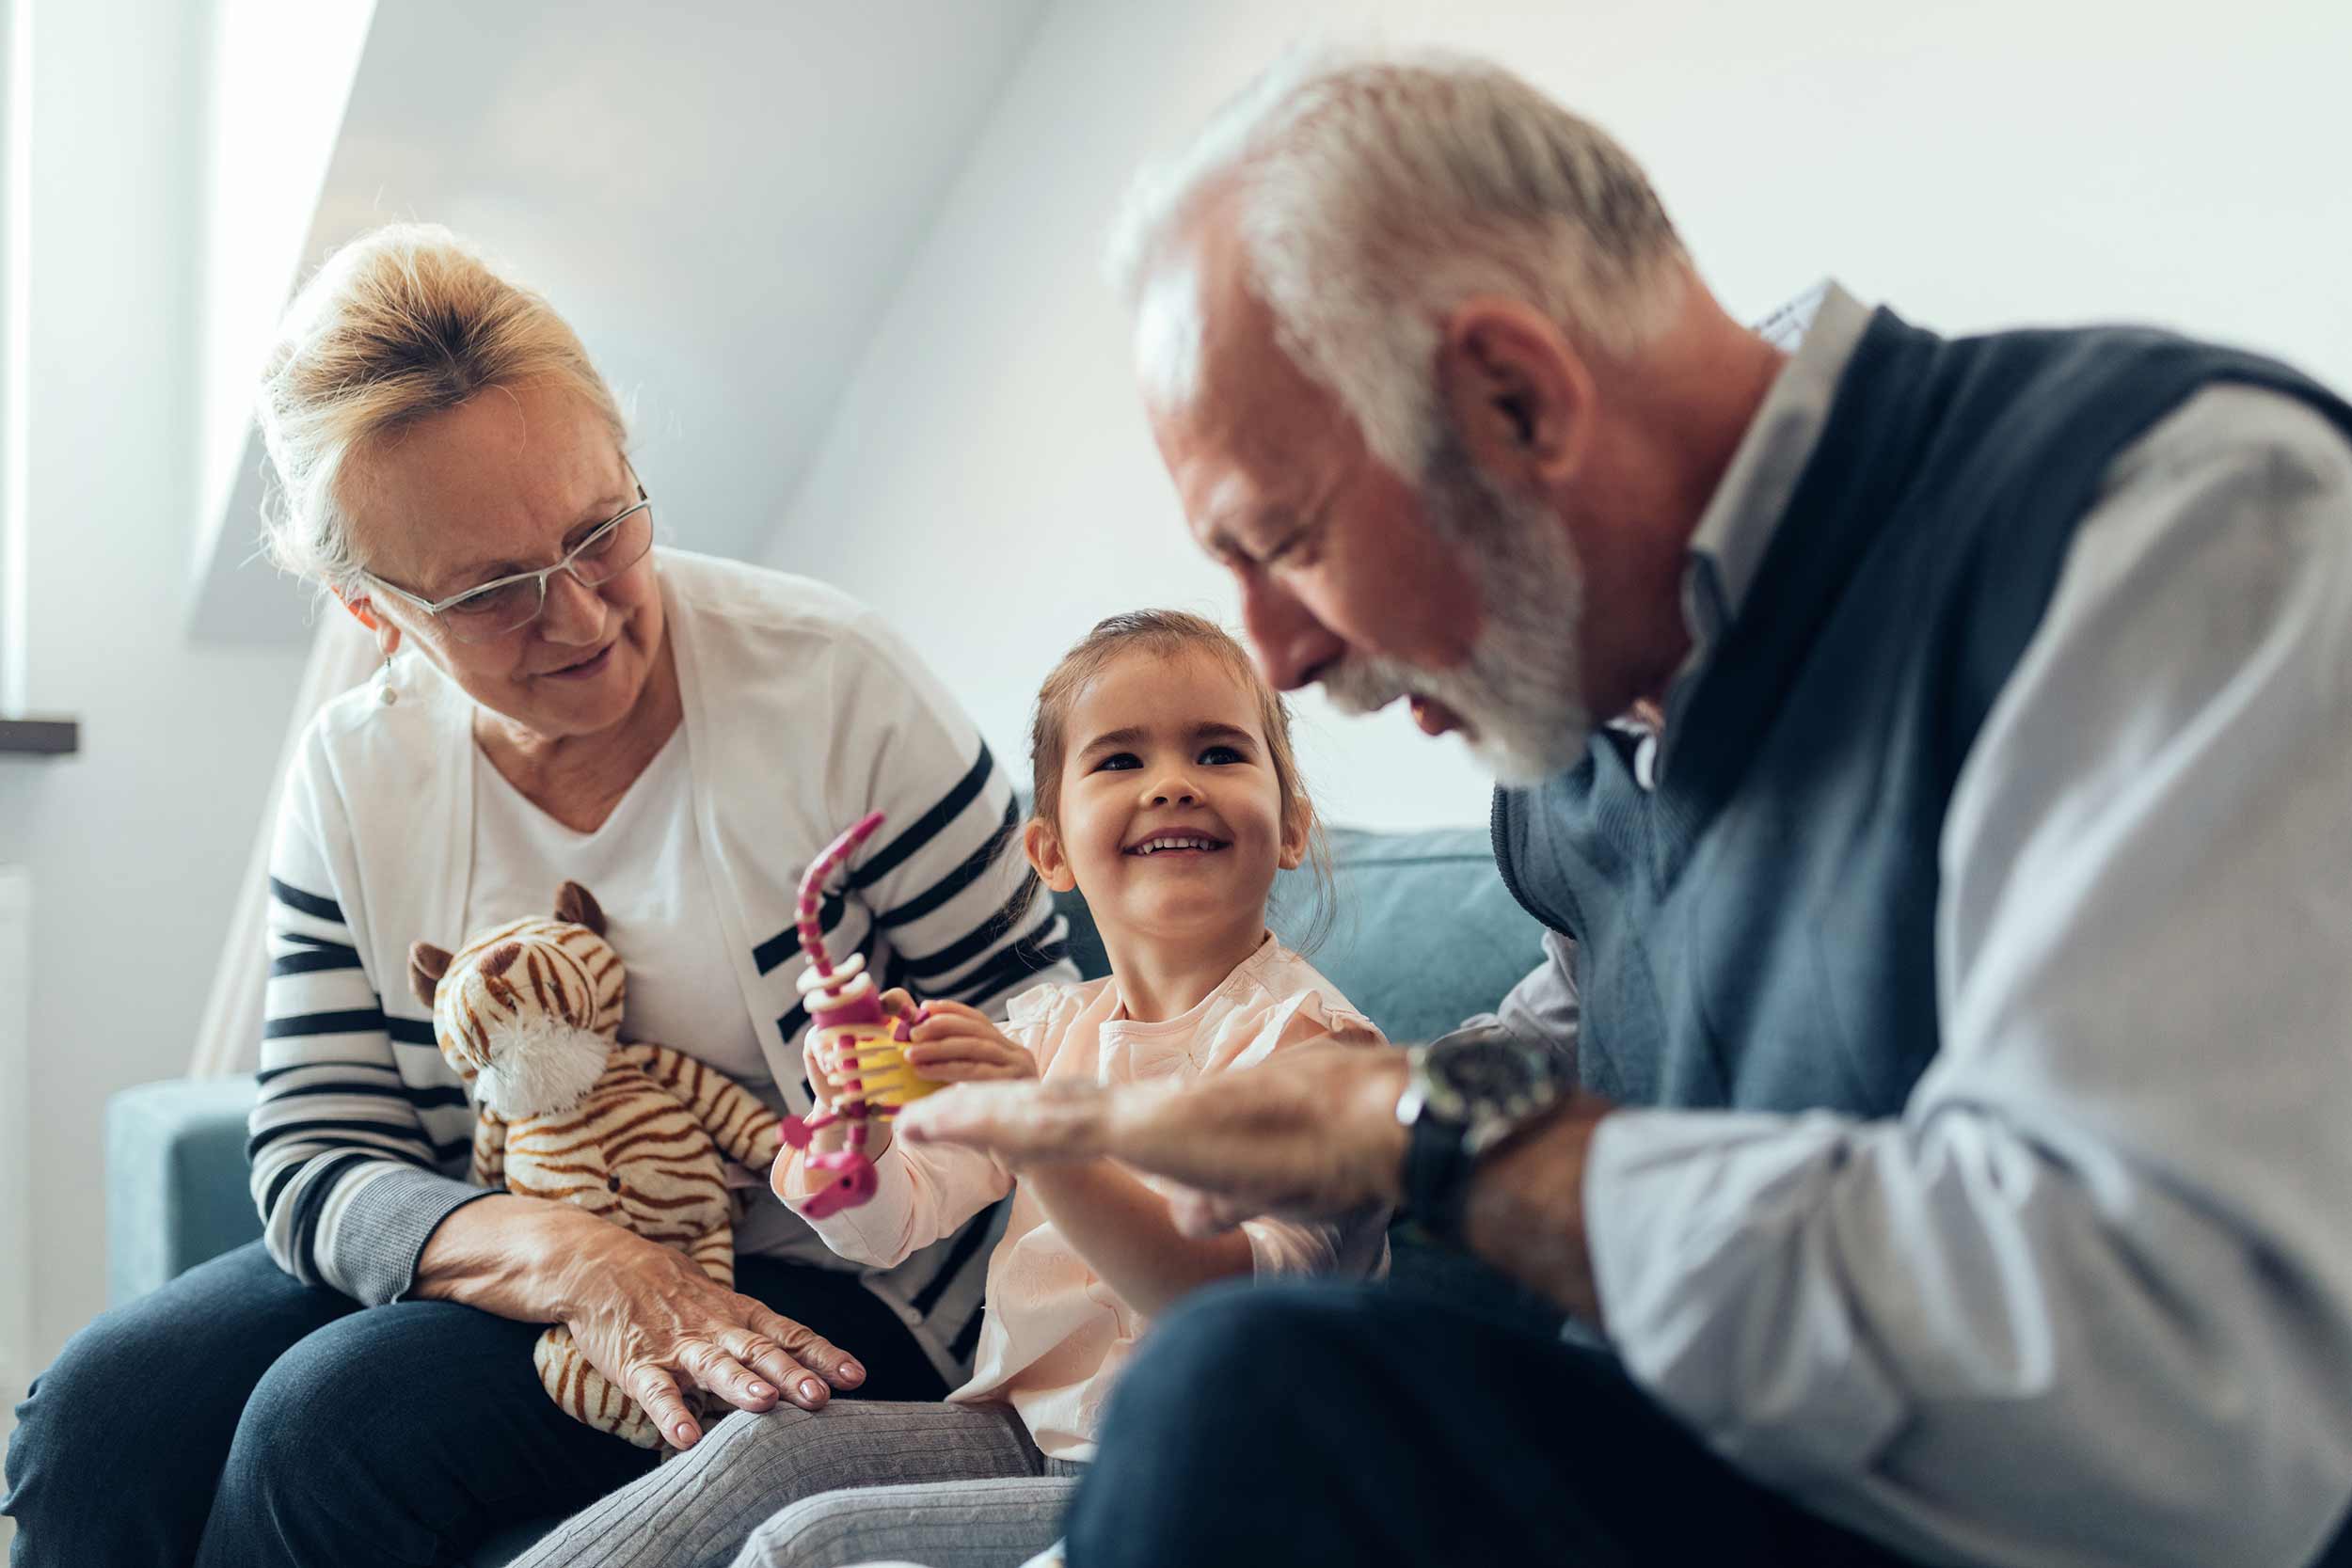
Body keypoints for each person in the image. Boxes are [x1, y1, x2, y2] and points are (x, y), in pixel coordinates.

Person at [894, 46, 2352, 1568]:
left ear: (1514, 396)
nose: (1284, 654)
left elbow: (2183, 1397)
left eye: (1290, 542)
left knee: (1239, 1399)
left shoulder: (2161, 526)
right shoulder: (1579, 707)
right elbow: (1623, 1019)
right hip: (1714, 1472)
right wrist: (1386, 1099)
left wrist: (1427, 1126)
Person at [0, 224, 1072, 1568]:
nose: (579, 615)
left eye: (600, 530)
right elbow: (314, 1150)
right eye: (496, 591)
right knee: (98, 1413)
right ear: (373, 609)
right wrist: (577, 1254)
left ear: (628, 463)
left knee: (332, 1424)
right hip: (511, 1234)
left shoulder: (835, 684)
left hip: (849, 1281)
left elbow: (1044, 1025)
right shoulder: (356, 773)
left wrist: (895, 1094)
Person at [510, 609, 1391, 1568]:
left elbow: (1222, 1301)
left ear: (1294, 822)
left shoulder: (1319, 1050)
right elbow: (886, 1223)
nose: (1172, 782)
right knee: (768, 1446)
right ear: (1048, 851)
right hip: (1035, 1438)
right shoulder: (1052, 1029)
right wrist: (859, 1123)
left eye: (1218, 751)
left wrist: (1042, 1130)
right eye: (1119, 761)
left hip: (1223, 1484)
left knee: (816, 1545)